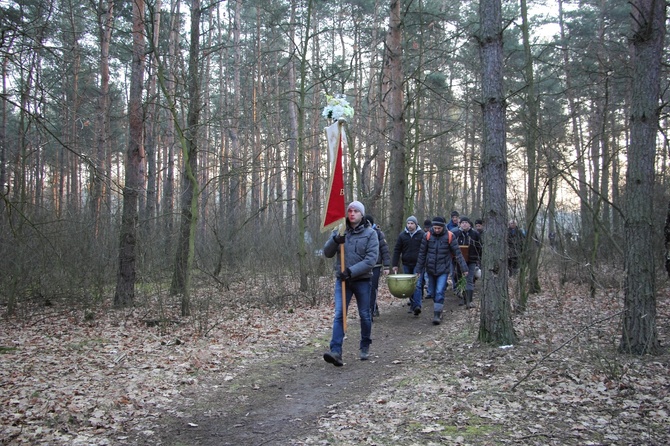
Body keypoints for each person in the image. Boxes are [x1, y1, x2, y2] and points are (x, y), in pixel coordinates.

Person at [323, 201, 379, 366]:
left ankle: (365, 345)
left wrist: (351, 271)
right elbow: (327, 252)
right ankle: (336, 351)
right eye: (350, 210)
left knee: (365, 314)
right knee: (340, 314)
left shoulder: (371, 234)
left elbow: (371, 260)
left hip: (362, 280)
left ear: (361, 214)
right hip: (343, 282)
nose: (352, 213)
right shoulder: (339, 231)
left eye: (356, 211)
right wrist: (335, 240)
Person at [415, 216, 469, 325]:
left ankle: (437, 315)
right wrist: (418, 269)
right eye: (435, 228)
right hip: (430, 269)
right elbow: (422, 254)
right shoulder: (427, 236)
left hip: (443, 269)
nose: (437, 230)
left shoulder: (450, 236)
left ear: (443, 227)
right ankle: (439, 309)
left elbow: (457, 253)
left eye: (439, 228)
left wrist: (464, 268)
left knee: (440, 291)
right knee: (433, 292)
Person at [391, 216, 425, 315]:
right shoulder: (402, 236)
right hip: (406, 263)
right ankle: (412, 304)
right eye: (408, 223)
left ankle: (417, 306)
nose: (410, 225)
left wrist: (423, 262)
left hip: (418, 264)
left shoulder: (422, 234)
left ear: (416, 224)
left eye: (412, 223)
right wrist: (395, 264)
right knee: (409, 286)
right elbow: (397, 250)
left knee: (417, 285)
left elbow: (424, 250)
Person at [452, 216, 482, 309]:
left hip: (471, 260)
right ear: (460, 224)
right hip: (458, 261)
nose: (464, 224)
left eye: (466, 222)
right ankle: (462, 297)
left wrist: (478, 258)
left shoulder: (475, 234)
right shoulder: (455, 234)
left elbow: (479, 247)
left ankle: (469, 300)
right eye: (462, 223)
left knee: (469, 279)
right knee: (460, 279)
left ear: (469, 224)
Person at [365, 215, 390, 321]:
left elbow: (384, 249)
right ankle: (372, 307)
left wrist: (387, 265)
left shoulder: (378, 233)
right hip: (364, 265)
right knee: (365, 288)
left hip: (376, 265)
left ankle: (371, 310)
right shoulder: (361, 233)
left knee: (373, 288)